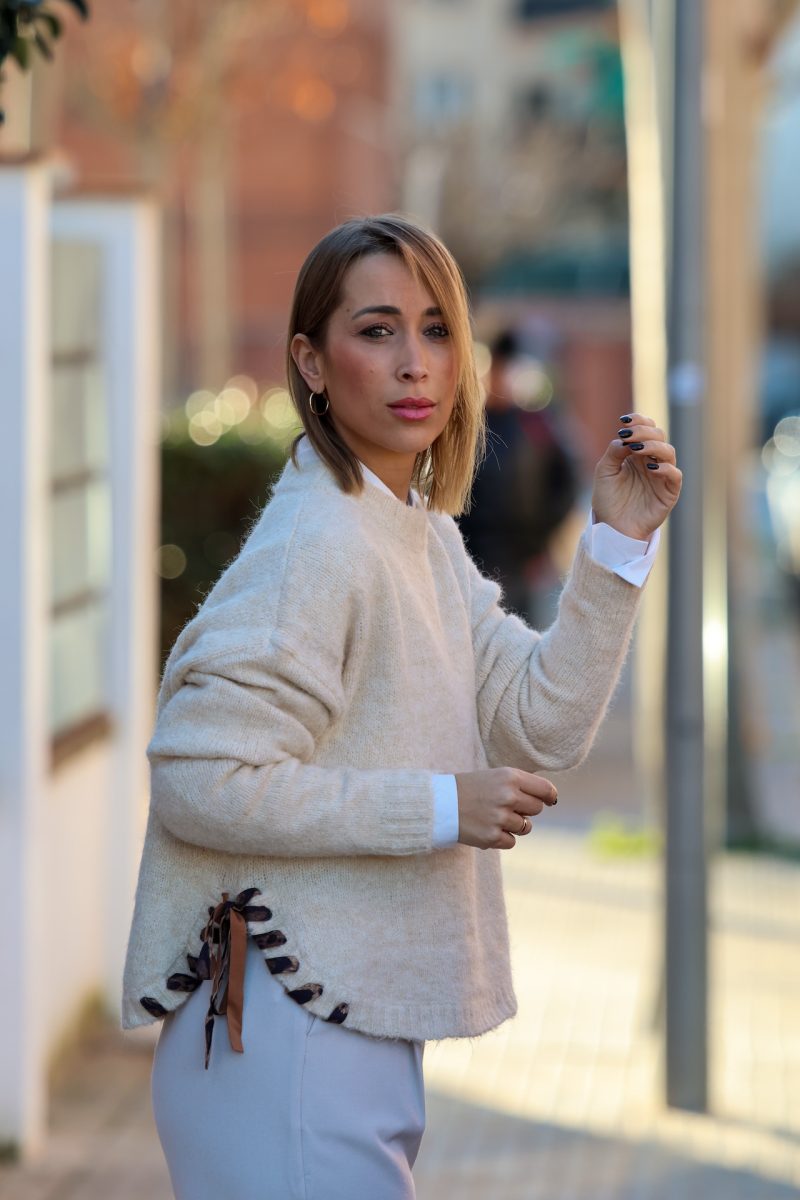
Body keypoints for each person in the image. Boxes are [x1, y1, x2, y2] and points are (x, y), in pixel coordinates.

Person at [121, 214, 681, 1200]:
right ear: (311, 361)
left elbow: (539, 723)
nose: (414, 362)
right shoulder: (318, 544)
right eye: (376, 330)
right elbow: (199, 780)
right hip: (284, 1033)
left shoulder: (413, 533)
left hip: (337, 1024)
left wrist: (616, 547)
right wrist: (438, 805)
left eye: (435, 329)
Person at [459, 327, 579, 622]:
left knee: (517, 630)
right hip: (471, 556)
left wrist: (541, 543)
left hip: (519, 558)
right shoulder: (467, 427)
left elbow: (565, 485)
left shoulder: (535, 426)